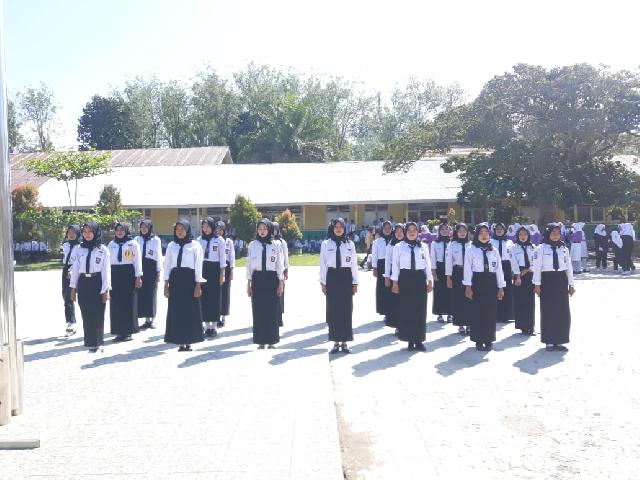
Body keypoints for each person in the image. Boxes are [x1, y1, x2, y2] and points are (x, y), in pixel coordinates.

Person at [391, 222, 433, 351]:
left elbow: (428, 264)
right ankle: (409, 340)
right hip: (405, 278)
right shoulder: (399, 246)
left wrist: (430, 280)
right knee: (407, 309)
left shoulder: (423, 246)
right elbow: (395, 265)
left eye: (414, 230)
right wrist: (394, 282)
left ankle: (419, 340)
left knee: (420, 310)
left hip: (419, 278)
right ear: (405, 232)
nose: (411, 232)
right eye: (409, 230)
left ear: (418, 232)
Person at [163, 220, 205, 352]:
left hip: (190, 280)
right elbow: (167, 265)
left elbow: (198, 266)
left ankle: (189, 340)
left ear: (187, 230)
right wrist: (166, 284)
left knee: (190, 311)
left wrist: (198, 285)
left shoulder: (195, 245)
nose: (180, 232)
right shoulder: (171, 246)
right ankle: (179, 340)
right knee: (176, 310)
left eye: (182, 229)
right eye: (177, 229)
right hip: (175, 280)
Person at [533, 223, 575, 351]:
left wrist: (571, 284)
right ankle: (549, 341)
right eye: (553, 233)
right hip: (547, 281)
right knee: (548, 311)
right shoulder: (540, 248)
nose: (556, 235)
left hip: (561, 280)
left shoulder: (564, 248)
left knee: (562, 311)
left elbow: (569, 268)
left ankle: (560, 340)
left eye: (558, 233)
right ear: (548, 233)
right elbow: (537, 268)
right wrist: (537, 284)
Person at [69, 222, 111, 353]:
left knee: (98, 313)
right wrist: (73, 288)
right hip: (83, 282)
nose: (87, 234)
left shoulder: (102, 249)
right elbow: (75, 269)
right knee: (86, 313)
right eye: (85, 232)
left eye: (90, 232)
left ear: (95, 232)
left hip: (97, 281)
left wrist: (106, 290)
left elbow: (106, 271)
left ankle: (98, 343)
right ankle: (90, 342)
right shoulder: (78, 249)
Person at [464, 223, 505, 351]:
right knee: (477, 312)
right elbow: (467, 269)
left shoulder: (494, 250)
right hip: (477, 281)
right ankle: (478, 339)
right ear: (476, 234)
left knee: (490, 312)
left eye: (486, 232)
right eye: (481, 233)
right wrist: (468, 287)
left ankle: (488, 339)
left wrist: (501, 287)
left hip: (491, 282)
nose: (484, 235)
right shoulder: (471, 249)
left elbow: (499, 269)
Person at [320, 218, 359, 354]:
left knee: (346, 309)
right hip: (332, 277)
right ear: (332, 228)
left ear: (344, 228)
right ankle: (336, 342)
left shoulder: (350, 244)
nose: (338, 229)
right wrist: (323, 282)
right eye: (336, 227)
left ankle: (345, 342)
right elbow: (323, 264)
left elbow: (354, 264)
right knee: (333, 310)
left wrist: (355, 282)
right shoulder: (326, 244)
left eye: (341, 227)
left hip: (346, 277)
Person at [247, 218, 285, 349]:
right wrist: (248, 283)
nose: (262, 231)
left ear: (269, 230)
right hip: (257, 279)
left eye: (264, 229)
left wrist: (281, 283)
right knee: (258, 310)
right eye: (260, 229)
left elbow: (280, 264)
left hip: (271, 278)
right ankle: (260, 340)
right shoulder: (253, 245)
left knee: (271, 310)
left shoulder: (276, 245)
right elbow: (249, 265)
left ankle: (272, 340)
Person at [108, 222, 143, 342]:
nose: (119, 232)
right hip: (114, 274)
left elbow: (137, 261)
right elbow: (107, 262)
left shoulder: (132, 244)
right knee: (116, 303)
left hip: (128, 274)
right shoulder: (111, 244)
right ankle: (118, 331)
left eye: (122, 230)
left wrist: (138, 277)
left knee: (129, 302)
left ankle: (128, 331)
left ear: (126, 231)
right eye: (117, 230)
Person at [198, 217, 226, 338]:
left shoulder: (219, 240)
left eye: (208, 227)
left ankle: (213, 327)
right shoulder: (199, 240)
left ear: (212, 227)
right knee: (204, 298)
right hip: (203, 268)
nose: (206, 229)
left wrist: (222, 274)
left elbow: (222, 258)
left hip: (215, 270)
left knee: (214, 298)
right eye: (203, 227)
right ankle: (206, 326)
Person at [135, 220, 162, 330]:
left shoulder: (156, 240)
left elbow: (159, 256)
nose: (144, 229)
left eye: (146, 227)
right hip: (140, 267)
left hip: (151, 268)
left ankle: (152, 320)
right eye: (142, 227)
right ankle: (146, 320)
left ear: (150, 228)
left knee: (151, 293)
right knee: (141, 294)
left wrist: (158, 272)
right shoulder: (137, 239)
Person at [445, 223, 472, 335]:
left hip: (470, 272)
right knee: (459, 298)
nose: (462, 233)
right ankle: (460, 324)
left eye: (464, 230)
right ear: (456, 232)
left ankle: (469, 324)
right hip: (457, 272)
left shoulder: (471, 244)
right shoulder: (452, 245)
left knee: (469, 298)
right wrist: (448, 277)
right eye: (460, 231)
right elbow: (448, 262)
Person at [510, 225, 536, 335]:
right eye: (520, 234)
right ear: (517, 236)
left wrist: (529, 269)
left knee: (530, 301)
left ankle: (531, 326)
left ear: (528, 235)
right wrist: (518, 276)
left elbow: (536, 261)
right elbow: (513, 262)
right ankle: (522, 326)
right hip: (519, 275)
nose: (523, 236)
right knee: (520, 300)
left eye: (525, 234)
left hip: (530, 274)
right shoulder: (514, 248)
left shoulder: (533, 247)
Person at [384, 223, 405, 335]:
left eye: (401, 231)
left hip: (407, 275)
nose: (399, 234)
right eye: (397, 232)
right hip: (394, 276)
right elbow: (387, 262)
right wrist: (387, 277)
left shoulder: (408, 244)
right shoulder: (391, 245)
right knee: (396, 301)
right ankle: (397, 325)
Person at [491, 222, 514, 323]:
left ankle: (506, 314)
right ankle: (496, 314)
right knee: (495, 289)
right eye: (497, 229)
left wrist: (513, 270)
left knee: (507, 289)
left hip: (506, 266)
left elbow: (512, 257)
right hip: (495, 266)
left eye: (501, 229)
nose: (499, 231)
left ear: (504, 230)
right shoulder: (491, 241)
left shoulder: (509, 242)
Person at [61, 225, 81, 336]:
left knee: (81, 298)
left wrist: (73, 270)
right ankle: (71, 322)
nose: (71, 234)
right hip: (66, 270)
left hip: (78, 270)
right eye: (69, 232)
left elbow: (80, 261)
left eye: (73, 232)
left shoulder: (81, 247)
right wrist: (67, 270)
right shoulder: (65, 245)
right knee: (67, 296)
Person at [431, 223, 453, 323]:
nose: (444, 231)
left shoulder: (452, 243)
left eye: (446, 229)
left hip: (450, 269)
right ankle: (439, 313)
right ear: (439, 231)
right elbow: (433, 258)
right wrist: (434, 273)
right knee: (439, 292)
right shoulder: (435, 243)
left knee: (450, 291)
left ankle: (450, 313)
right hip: (439, 268)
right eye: (442, 229)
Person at [372, 220, 393, 320]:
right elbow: (374, 256)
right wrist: (374, 268)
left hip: (393, 265)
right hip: (381, 266)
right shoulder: (377, 241)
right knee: (383, 289)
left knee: (393, 287)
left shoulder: (395, 240)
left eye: (389, 228)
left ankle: (393, 310)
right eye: (385, 228)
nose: (387, 230)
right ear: (382, 229)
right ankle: (385, 311)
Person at [217, 221, 235, 327]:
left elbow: (232, 256)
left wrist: (232, 270)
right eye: (217, 229)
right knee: (217, 292)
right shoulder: (214, 240)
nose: (218, 231)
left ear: (224, 230)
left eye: (220, 229)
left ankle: (223, 316)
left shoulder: (229, 241)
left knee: (225, 292)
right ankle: (216, 315)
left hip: (227, 268)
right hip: (217, 267)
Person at [271, 222, 289, 327]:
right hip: (270, 271)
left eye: (275, 229)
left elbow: (285, 257)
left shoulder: (282, 242)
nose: (273, 231)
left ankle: (279, 318)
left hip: (280, 270)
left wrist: (286, 270)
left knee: (280, 294)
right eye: (272, 229)